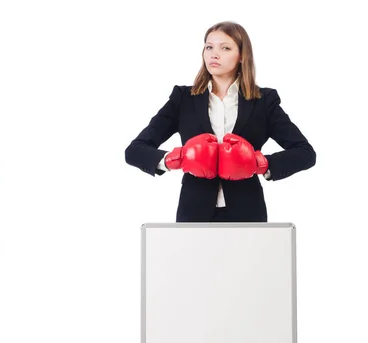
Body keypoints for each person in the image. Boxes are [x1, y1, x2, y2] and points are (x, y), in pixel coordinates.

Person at [124, 21, 316, 222]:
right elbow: (135, 150)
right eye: (209, 47)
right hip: (194, 214)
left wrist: (262, 164)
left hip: (247, 214)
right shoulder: (182, 98)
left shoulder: (263, 101)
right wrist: (175, 159)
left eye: (225, 48)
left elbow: (305, 153)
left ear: (242, 56)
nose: (214, 54)